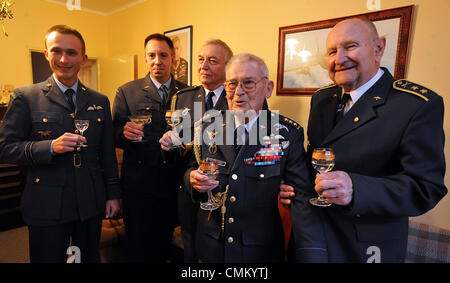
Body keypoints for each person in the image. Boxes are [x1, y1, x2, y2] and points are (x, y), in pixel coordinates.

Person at [304, 17, 447, 262]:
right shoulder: (321, 99)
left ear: (379, 48)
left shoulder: (416, 105)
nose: (339, 59)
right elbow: (315, 159)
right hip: (313, 235)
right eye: (332, 51)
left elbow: (426, 188)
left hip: (367, 246)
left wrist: (356, 189)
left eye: (350, 46)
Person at [184, 53, 326, 262]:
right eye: (232, 84)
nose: (238, 92)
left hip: (258, 251)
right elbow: (189, 169)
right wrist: (191, 179)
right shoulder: (206, 127)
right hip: (211, 247)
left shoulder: (287, 133)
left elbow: (302, 197)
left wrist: (311, 255)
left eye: (248, 83)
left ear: (268, 88)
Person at [0, 25, 121, 263]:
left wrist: (113, 195)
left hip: (89, 202)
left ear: (84, 59)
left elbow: (106, 153)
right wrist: (50, 147)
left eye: (72, 53)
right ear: (46, 53)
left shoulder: (100, 100)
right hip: (47, 204)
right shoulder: (26, 97)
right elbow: (5, 148)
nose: (64, 59)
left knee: (85, 259)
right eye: (56, 51)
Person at [112, 33, 187, 263]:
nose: (157, 61)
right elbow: (113, 136)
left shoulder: (188, 93)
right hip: (139, 185)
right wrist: (123, 134)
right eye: (152, 55)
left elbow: (195, 134)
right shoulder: (127, 92)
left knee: (165, 247)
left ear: (173, 59)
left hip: (173, 183)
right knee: (136, 246)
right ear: (145, 59)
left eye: (163, 55)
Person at [160, 39, 233, 262]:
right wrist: (167, 146)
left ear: (228, 67)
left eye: (212, 61)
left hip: (226, 192)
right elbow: (175, 156)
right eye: (201, 60)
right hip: (191, 191)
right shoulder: (184, 98)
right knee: (190, 249)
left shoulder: (240, 96)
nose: (204, 66)